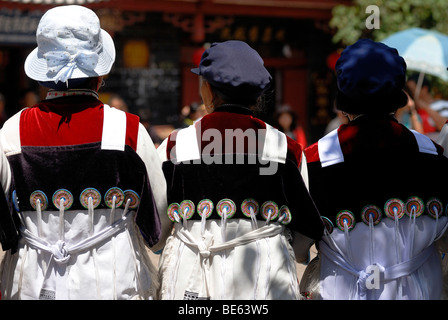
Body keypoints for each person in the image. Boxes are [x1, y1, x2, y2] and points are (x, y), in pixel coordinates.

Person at [0, 5, 169, 300]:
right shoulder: (127, 129)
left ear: (43, 76)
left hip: (33, 280)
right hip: (113, 278)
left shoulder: (12, 130)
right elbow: (162, 212)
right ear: (99, 76)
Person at [156, 40, 324, 300]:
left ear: (208, 90)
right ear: (257, 96)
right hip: (265, 275)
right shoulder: (285, 148)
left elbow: (158, 224)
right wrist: (286, 248)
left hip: (192, 273)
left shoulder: (175, 146)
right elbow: (306, 228)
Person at [300, 39, 448, 300]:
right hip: (420, 290)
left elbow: (300, 245)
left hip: (341, 289)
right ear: (398, 100)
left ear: (343, 101)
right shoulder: (432, 154)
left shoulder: (315, 160)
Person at [406, 74, 448, 139]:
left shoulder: (442, 104)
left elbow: (445, 127)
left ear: (424, 89)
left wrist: (425, 107)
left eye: (412, 90)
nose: (411, 93)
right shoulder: (410, 107)